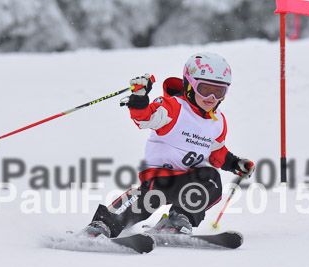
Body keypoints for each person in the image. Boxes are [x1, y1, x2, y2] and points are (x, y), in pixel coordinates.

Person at [83, 52, 255, 238]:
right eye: (205, 89)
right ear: (189, 85)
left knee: (212, 179)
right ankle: (104, 224)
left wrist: (235, 163)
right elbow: (145, 118)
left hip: (190, 179)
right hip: (161, 177)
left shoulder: (218, 121)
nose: (212, 97)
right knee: (147, 200)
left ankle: (177, 219)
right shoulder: (173, 107)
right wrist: (140, 99)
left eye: (219, 91)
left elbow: (215, 151)